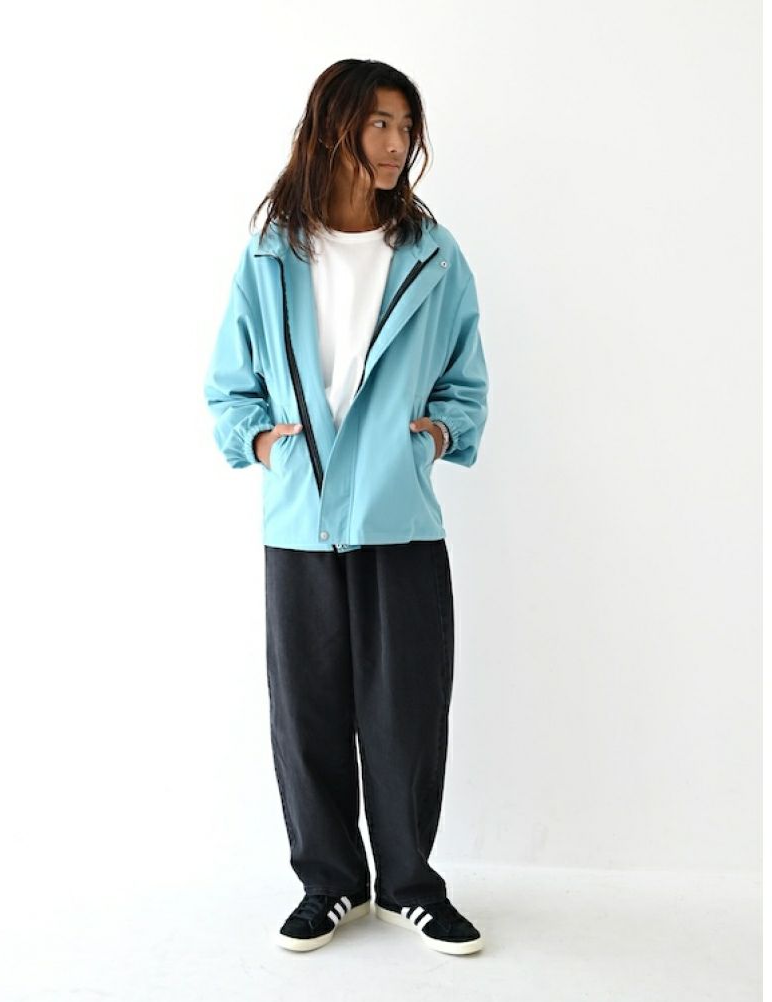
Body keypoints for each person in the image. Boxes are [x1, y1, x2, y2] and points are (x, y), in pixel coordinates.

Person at [204, 59, 489, 956]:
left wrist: (434, 437)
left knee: (407, 711)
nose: (397, 143)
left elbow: (467, 381)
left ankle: (409, 886)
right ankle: (329, 884)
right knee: (308, 713)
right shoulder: (270, 255)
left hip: (401, 518)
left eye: (406, 126)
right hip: (300, 521)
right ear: (333, 127)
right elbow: (229, 386)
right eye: (378, 124)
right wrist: (262, 444)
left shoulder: (434, 256)